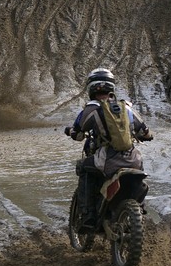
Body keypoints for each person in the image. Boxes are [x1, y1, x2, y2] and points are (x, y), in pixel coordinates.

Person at [65, 68, 153, 232]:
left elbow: (78, 134)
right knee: (139, 178)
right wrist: (146, 136)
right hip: (133, 160)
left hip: (107, 160)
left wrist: (70, 131)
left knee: (83, 167)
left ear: (91, 88)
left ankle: (88, 216)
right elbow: (146, 133)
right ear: (112, 88)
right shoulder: (127, 108)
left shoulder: (91, 110)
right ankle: (140, 209)